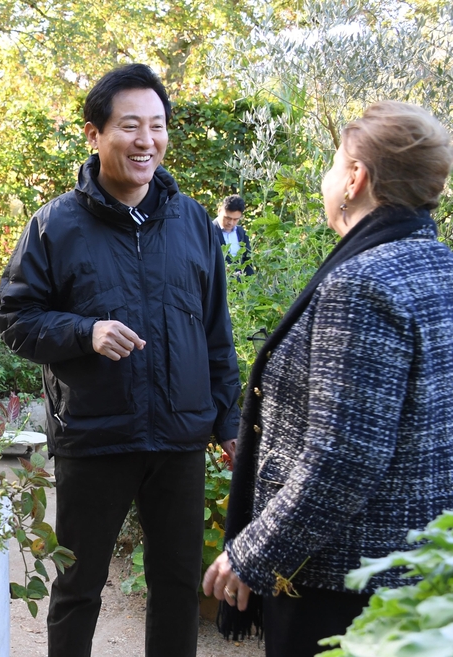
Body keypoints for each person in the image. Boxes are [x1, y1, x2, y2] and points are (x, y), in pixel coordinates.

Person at [0, 63, 240, 657]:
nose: (146, 140)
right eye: (130, 125)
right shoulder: (55, 225)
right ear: (93, 134)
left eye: (156, 126)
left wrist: (230, 423)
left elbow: (216, 333)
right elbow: (14, 319)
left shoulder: (194, 225)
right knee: (79, 585)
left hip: (181, 437)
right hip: (95, 435)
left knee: (177, 584)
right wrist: (86, 331)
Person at [203, 101, 453, 657]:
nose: (328, 176)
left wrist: (254, 552)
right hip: (418, 576)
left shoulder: (361, 285)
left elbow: (345, 456)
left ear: (356, 178)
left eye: (334, 163)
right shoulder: (440, 267)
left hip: (341, 586)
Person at [213, 194, 254, 276]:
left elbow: (248, 261)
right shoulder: (208, 230)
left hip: (240, 284)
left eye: (235, 219)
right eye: (227, 218)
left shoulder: (242, 232)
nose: (231, 222)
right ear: (219, 211)